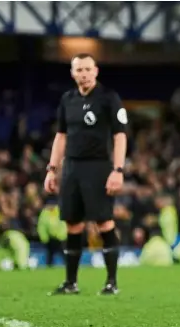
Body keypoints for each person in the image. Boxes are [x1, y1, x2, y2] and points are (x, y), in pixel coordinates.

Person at [44, 53, 128, 296]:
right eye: (79, 69)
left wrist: (118, 170)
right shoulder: (67, 100)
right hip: (71, 166)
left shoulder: (108, 98)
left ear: (96, 71)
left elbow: (120, 135)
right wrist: (52, 169)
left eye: (87, 69)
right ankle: (71, 282)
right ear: (72, 73)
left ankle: (111, 282)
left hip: (99, 166)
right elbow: (61, 136)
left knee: (103, 221)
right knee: (72, 222)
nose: (83, 73)